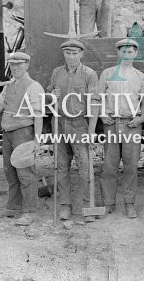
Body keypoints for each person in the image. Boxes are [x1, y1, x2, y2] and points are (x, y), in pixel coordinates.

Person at [0, 52, 44, 226]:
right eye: (12, 64)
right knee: (10, 171)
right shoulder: (8, 86)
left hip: (23, 133)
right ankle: (13, 207)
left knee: (25, 173)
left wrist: (36, 141)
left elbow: (38, 115)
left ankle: (29, 211)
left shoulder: (34, 86)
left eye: (19, 64)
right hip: (7, 132)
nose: (15, 68)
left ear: (27, 65)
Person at [96, 38, 144, 218]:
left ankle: (129, 204)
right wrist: (102, 114)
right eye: (123, 51)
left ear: (136, 54)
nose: (126, 55)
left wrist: (141, 118)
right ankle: (108, 203)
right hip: (112, 124)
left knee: (130, 166)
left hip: (131, 124)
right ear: (117, 53)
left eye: (130, 52)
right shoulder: (107, 73)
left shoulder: (141, 77)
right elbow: (99, 97)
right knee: (109, 166)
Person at [47, 38, 99, 222]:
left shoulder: (90, 74)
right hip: (60, 123)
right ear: (64, 54)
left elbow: (94, 103)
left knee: (85, 167)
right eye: (68, 53)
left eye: (75, 53)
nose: (71, 57)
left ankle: (87, 205)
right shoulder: (56, 73)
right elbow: (50, 95)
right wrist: (52, 96)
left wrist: (91, 130)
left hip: (79, 124)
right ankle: (65, 206)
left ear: (81, 54)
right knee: (61, 168)